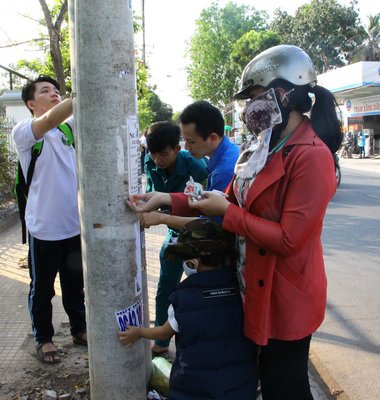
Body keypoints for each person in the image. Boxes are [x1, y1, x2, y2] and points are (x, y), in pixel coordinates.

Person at [127, 45, 343, 399]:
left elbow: (289, 238)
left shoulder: (311, 156)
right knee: (266, 378)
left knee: (285, 386)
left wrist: (228, 214)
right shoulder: (261, 147)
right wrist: (167, 198)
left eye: (255, 97)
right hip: (253, 284)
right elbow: (225, 200)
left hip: (285, 295)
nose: (248, 108)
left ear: (284, 94)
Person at [119, 219, 258, 399]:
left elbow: (163, 333)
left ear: (193, 263)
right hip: (240, 385)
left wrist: (138, 332)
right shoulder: (242, 290)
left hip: (194, 387)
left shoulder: (182, 299)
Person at [12, 75, 86, 364]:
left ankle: (79, 329)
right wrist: (79, 94)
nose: (54, 94)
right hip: (43, 229)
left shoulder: (68, 132)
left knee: (74, 285)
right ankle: (43, 338)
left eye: (57, 91)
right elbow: (55, 116)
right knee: (42, 289)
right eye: (45, 91)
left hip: (73, 226)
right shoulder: (25, 132)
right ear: (31, 104)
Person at [143, 121, 208, 355]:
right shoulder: (149, 162)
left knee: (200, 287)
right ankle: (161, 341)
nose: (157, 159)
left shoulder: (197, 166)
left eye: (163, 154)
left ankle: (199, 341)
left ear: (177, 148)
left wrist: (162, 213)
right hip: (173, 234)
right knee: (165, 287)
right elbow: (152, 190)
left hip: (199, 235)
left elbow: (205, 205)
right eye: (153, 153)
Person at [139, 100, 240, 232]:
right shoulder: (229, 153)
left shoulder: (224, 171)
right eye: (185, 140)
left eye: (191, 141)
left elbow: (211, 226)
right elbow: (203, 199)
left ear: (212, 138)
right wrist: (161, 197)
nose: (186, 147)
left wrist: (161, 218)